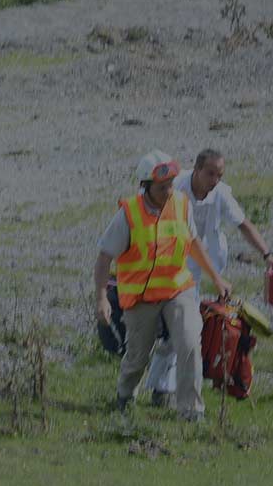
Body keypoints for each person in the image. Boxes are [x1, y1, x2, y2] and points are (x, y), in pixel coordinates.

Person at [93, 151, 233, 422]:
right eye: (162, 187)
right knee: (137, 358)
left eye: (171, 184)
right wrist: (101, 298)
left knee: (190, 342)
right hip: (141, 298)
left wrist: (216, 278)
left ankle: (191, 411)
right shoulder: (128, 215)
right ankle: (124, 396)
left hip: (177, 290)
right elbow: (103, 258)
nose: (169, 190)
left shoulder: (181, 204)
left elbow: (193, 243)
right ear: (145, 186)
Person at [140, 149, 273, 404]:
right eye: (210, 173)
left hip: (211, 263)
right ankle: (162, 389)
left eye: (219, 174)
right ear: (195, 169)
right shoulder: (175, 188)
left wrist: (266, 253)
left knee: (206, 324)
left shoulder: (221, 194)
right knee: (178, 328)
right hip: (176, 263)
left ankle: (208, 376)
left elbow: (243, 224)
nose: (214, 180)